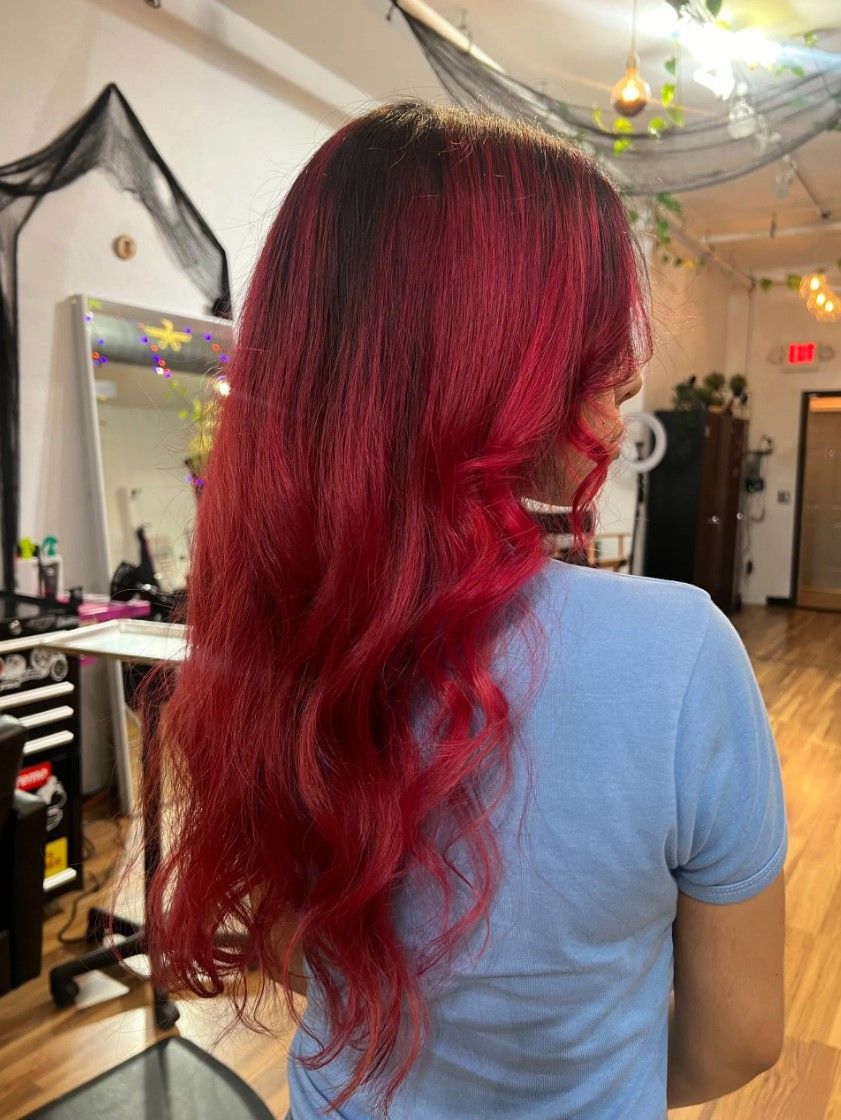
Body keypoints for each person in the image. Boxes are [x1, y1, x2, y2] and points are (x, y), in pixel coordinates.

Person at [145, 102, 787, 1119]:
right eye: (586, 346)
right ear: (488, 363)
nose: (621, 388)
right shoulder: (679, 659)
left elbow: (293, 947)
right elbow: (740, 1033)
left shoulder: (264, 632)